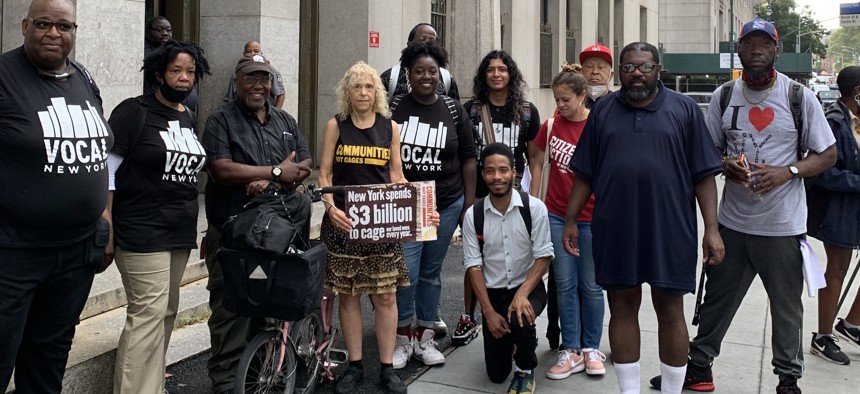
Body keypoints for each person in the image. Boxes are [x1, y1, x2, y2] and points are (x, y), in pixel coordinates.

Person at [651, 19, 837, 394]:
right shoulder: (722, 96)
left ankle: (788, 380)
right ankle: (699, 369)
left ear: (775, 51)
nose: (756, 50)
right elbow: (707, 152)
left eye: (763, 44)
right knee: (717, 302)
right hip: (732, 223)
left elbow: (828, 154)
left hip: (782, 226)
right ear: (739, 50)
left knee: (786, 309)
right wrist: (724, 165)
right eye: (749, 43)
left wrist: (789, 171)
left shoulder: (798, 97)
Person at [563, 42, 725, 394]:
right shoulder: (603, 110)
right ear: (618, 72)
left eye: (645, 67)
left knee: (670, 309)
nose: (637, 74)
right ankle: (629, 391)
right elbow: (585, 173)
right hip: (615, 226)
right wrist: (572, 219)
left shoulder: (684, 110)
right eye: (629, 67)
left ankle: (671, 389)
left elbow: (704, 175)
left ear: (659, 70)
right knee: (621, 306)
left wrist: (712, 229)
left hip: (670, 227)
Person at [0, 0, 113, 392]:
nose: (53, 33)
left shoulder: (82, 77)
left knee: (47, 363)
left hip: (75, 254)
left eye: (64, 26)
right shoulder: (4, 76)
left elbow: (101, 153)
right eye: (44, 23)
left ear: (74, 32)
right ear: (25, 24)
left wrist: (106, 218)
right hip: (14, 254)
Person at [201, 54, 312, 394]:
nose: (258, 86)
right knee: (230, 311)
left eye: (264, 79)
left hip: (278, 234)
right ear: (237, 81)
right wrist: (275, 172)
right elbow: (222, 169)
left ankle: (260, 378)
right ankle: (225, 384)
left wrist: (278, 179)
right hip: (234, 236)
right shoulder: (220, 121)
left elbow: (305, 162)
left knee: (270, 306)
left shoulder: (285, 121)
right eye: (251, 78)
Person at [107, 39, 210, 394]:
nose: (184, 79)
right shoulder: (134, 112)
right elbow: (107, 169)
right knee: (147, 314)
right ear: (158, 74)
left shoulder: (188, 116)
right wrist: (105, 220)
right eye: (176, 71)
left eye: (190, 73)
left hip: (179, 231)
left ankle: (151, 386)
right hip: (140, 229)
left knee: (166, 313)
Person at [318, 61, 410, 394]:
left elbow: (396, 175)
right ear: (347, 91)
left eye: (369, 87)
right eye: (356, 86)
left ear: (377, 93)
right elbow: (324, 175)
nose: (363, 92)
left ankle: (387, 369)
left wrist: (418, 205)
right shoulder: (336, 126)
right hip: (344, 224)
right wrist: (329, 209)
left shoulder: (390, 128)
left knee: (385, 296)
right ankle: (354, 366)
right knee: (348, 296)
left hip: (381, 224)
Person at [390, 40, 477, 369]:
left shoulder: (454, 109)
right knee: (406, 273)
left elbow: (469, 159)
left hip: (447, 204)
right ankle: (402, 338)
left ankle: (425, 337)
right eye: (418, 71)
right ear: (409, 75)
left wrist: (468, 204)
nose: (426, 77)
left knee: (430, 273)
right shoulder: (396, 107)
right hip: (407, 205)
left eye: (432, 71)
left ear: (440, 74)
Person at [454, 50, 541, 346]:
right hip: (481, 192)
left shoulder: (526, 111)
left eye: (502, 69)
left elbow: (535, 157)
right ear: (484, 75)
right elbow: (465, 155)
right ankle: (468, 315)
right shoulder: (472, 110)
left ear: (510, 74)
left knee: (518, 252)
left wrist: (535, 196)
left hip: (515, 191)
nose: (496, 74)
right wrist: (467, 201)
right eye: (490, 69)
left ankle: (520, 305)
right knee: (475, 256)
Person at [530, 63, 606, 379]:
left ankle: (591, 348)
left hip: (590, 217)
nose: (559, 106)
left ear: (582, 96)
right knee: (564, 284)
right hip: (556, 215)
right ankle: (570, 348)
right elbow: (536, 161)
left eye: (565, 100)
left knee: (590, 285)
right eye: (557, 99)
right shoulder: (551, 126)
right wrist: (534, 204)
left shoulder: (597, 127)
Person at [461, 142, 553, 394]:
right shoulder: (474, 214)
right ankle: (515, 342)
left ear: (514, 172)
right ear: (482, 174)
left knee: (520, 316)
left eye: (503, 170)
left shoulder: (534, 208)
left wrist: (522, 294)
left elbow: (544, 255)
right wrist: (488, 313)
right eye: (490, 171)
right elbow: (473, 266)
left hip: (529, 287)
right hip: (494, 293)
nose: (497, 177)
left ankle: (525, 370)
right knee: (496, 374)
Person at [807, 65, 860, 365]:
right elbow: (825, 171)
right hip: (837, 210)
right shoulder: (834, 122)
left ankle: (852, 323)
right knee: (837, 269)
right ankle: (823, 335)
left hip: (855, 207)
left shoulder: (857, 122)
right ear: (857, 92)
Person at [380, 23, 460, 101]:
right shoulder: (390, 77)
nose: (427, 44)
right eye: (422, 40)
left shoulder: (446, 78)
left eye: (432, 41)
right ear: (409, 44)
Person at [143, 16, 198, 112]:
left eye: (168, 30)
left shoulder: (174, 50)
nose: (165, 33)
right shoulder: (146, 53)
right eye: (159, 30)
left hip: (184, 112)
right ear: (149, 32)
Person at [223, 40, 286, 109]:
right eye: (248, 51)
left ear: (261, 53)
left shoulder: (271, 71)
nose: (252, 54)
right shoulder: (238, 72)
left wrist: (275, 114)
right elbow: (230, 97)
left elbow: (280, 94)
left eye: (256, 51)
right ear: (244, 54)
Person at [579, 43, 614, 108]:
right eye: (589, 67)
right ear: (581, 73)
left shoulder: (618, 104)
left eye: (601, 67)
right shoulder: (570, 104)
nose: (595, 72)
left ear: (611, 75)